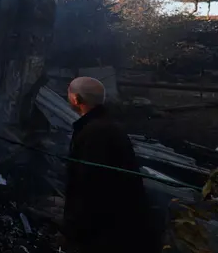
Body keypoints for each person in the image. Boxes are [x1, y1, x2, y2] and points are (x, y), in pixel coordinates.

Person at [62, 76, 160, 253]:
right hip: (120, 225)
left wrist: (76, 228)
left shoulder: (95, 133)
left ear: (76, 99)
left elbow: (90, 187)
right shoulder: (105, 126)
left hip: (109, 233)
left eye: (69, 94)